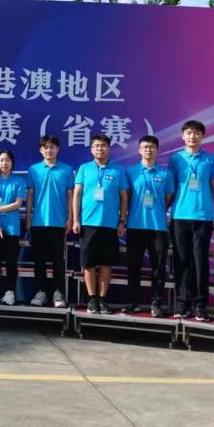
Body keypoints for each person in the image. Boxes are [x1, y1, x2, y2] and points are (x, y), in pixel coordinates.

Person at [167, 119, 214, 321]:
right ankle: (182, 303)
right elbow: (171, 187)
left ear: (202, 136)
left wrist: (203, 202)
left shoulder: (210, 159)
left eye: (197, 133)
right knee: (181, 261)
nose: (193, 136)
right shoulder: (175, 159)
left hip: (203, 217)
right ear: (183, 136)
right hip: (179, 216)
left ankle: (200, 305)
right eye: (189, 133)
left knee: (200, 261)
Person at [73, 134, 128, 314]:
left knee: (106, 263)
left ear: (109, 148)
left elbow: (124, 197)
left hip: (110, 225)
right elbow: (77, 194)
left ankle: (103, 299)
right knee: (88, 263)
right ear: (91, 149)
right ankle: (92, 299)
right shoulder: (84, 168)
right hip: (88, 223)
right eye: (96, 145)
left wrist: (122, 221)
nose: (100, 148)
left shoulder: (118, 170)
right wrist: (76, 219)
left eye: (103, 145)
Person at [124, 136, 175, 316]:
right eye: (145, 147)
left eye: (152, 147)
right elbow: (126, 197)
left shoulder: (165, 174)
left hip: (158, 226)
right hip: (135, 226)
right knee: (133, 266)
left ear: (157, 150)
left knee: (158, 267)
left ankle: (156, 302)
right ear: (139, 150)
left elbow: (168, 197)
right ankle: (133, 301)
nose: (148, 150)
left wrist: (159, 211)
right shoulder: (130, 172)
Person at [25, 135, 75, 308]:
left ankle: (57, 293)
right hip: (38, 222)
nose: (49, 150)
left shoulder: (67, 170)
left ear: (58, 149)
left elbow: (70, 196)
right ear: (41, 150)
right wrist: (29, 219)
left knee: (58, 260)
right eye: (45, 147)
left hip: (58, 222)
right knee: (39, 259)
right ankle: (41, 292)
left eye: (52, 147)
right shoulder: (33, 170)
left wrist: (70, 218)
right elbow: (30, 195)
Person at [0, 149, 26, 305]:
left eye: (8, 160)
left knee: (11, 261)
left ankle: (10, 293)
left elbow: (17, 204)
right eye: (1, 160)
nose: (4, 163)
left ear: (12, 162)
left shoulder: (19, 181)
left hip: (12, 227)